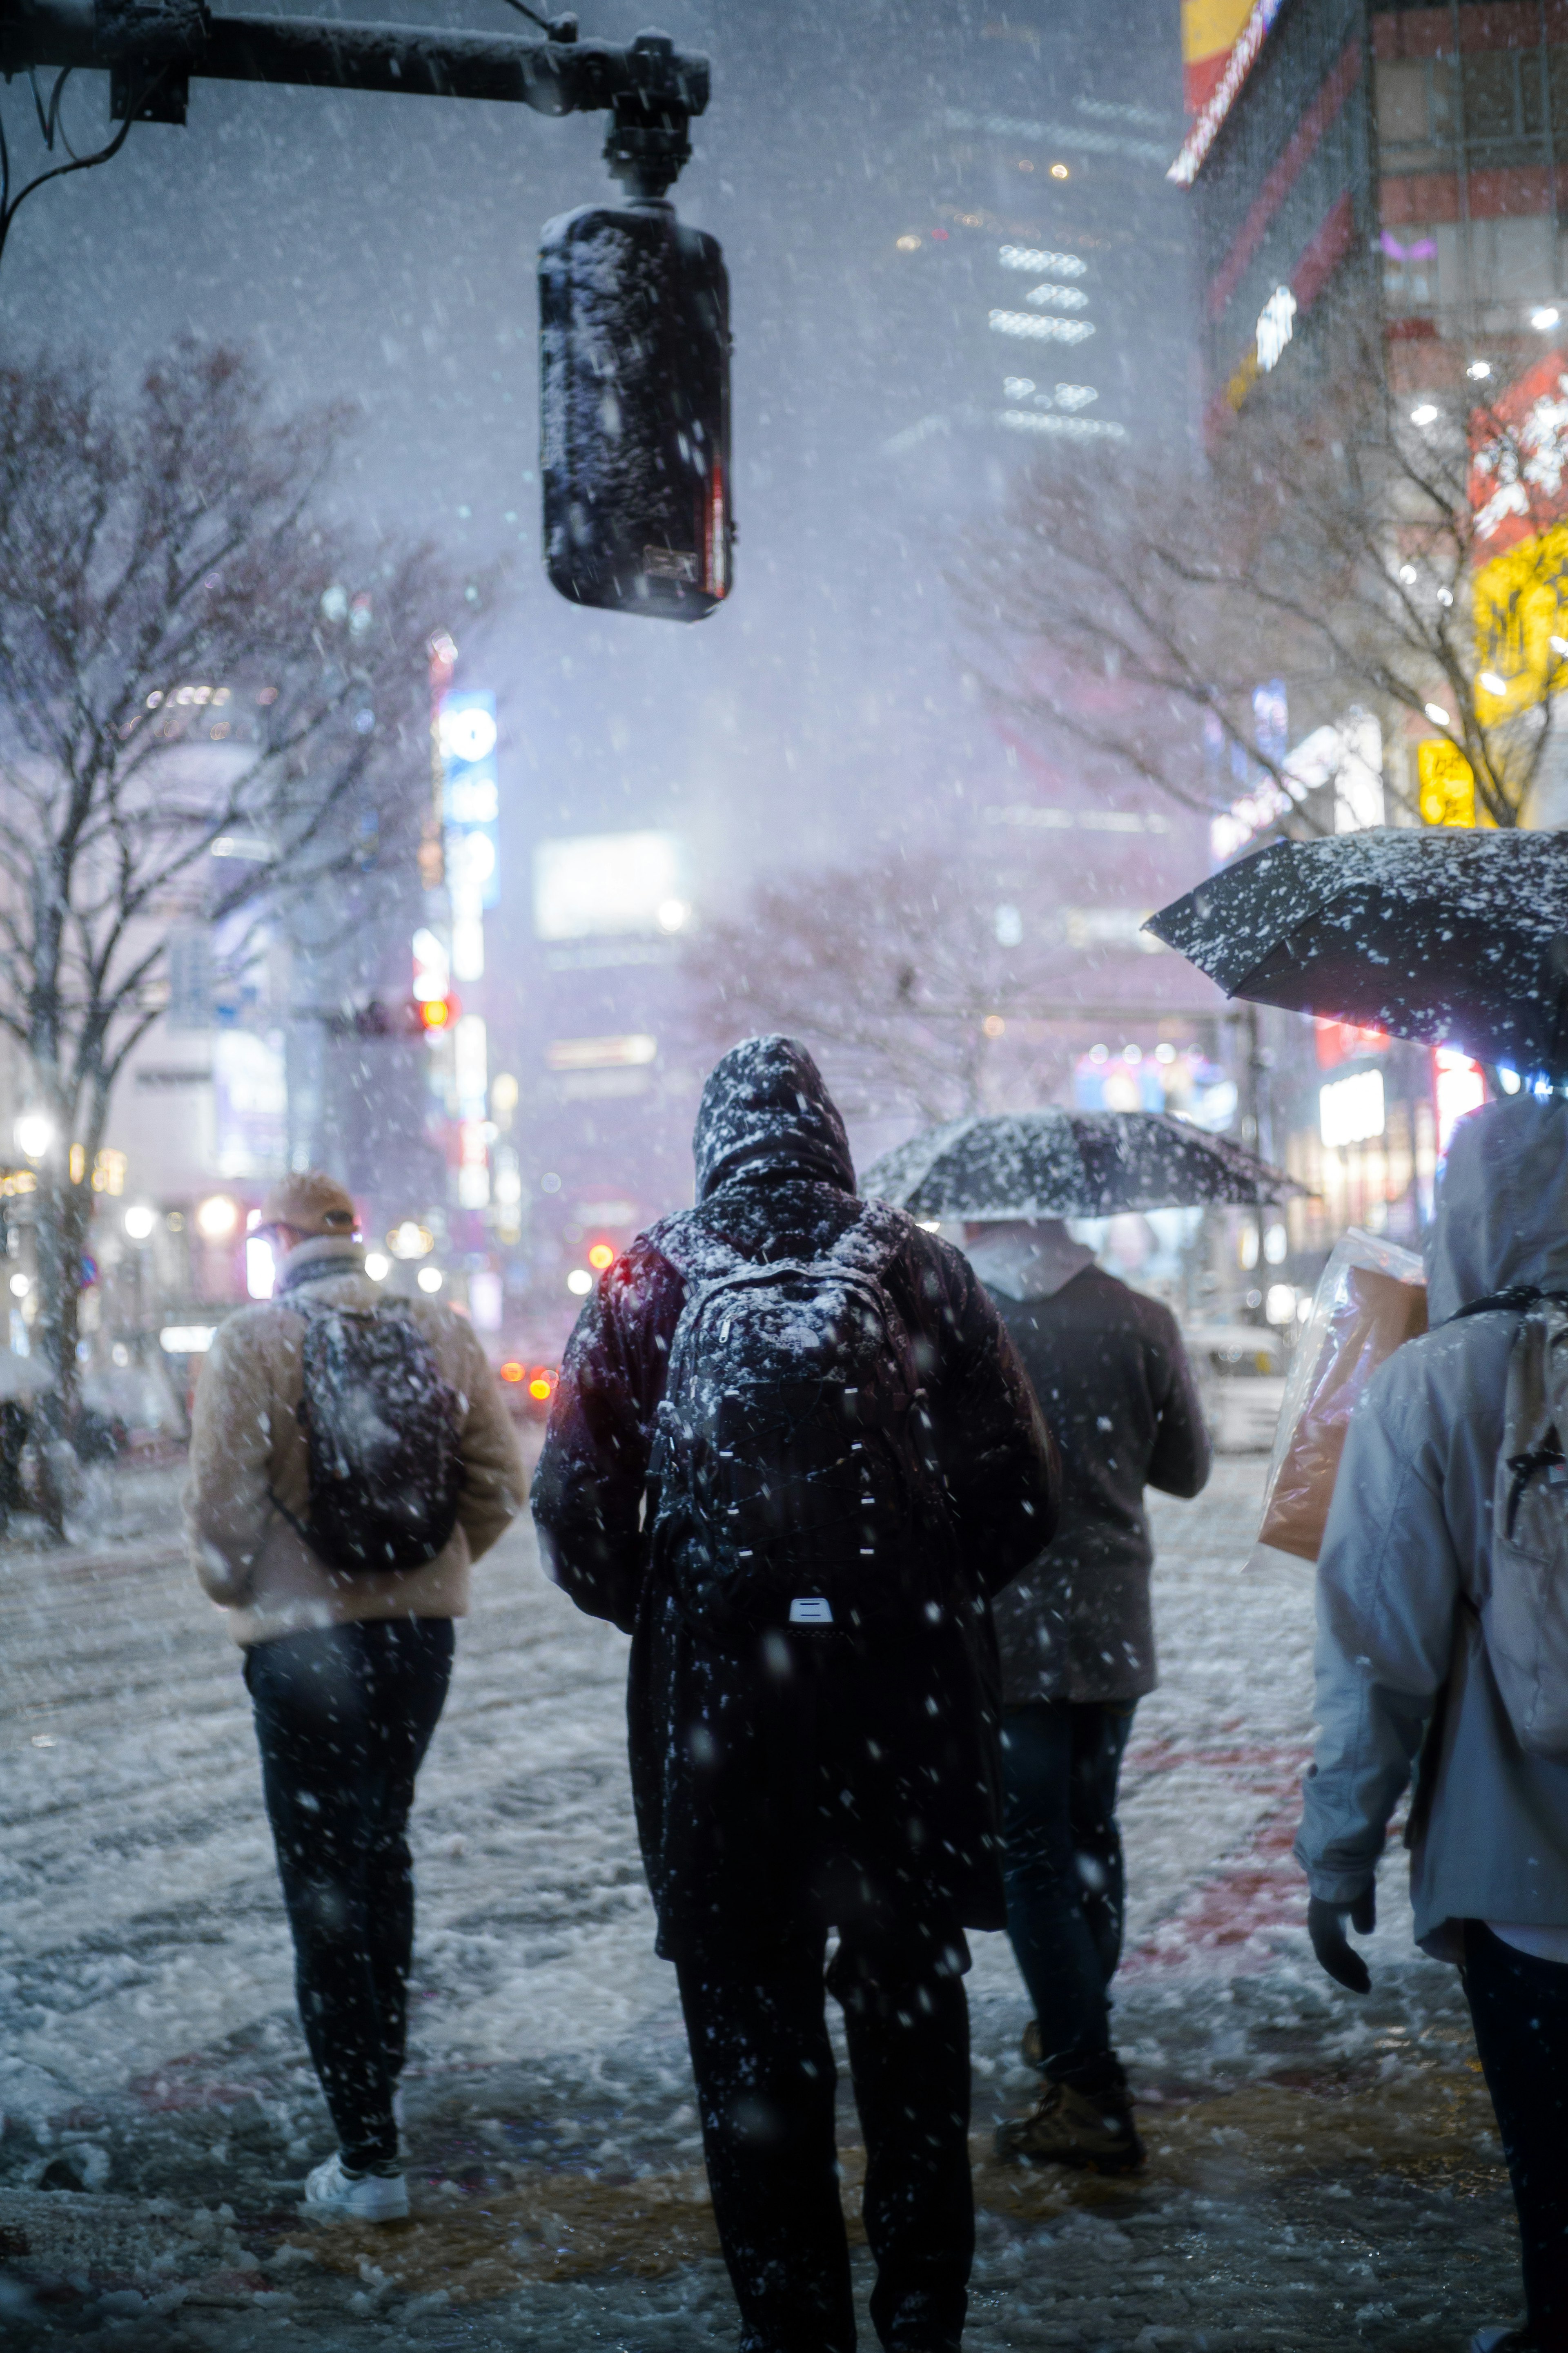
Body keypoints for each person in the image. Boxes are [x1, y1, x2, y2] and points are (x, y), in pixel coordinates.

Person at [532, 1037, 1059, 2353]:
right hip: (901, 1718)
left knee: (750, 2043)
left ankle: (795, 2323)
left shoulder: (650, 1276)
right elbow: (1023, 1495)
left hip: (727, 1730)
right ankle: (924, 2308)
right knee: (911, 2031)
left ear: (713, 1141)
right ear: (829, 1129)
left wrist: (688, 1610)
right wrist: (909, 1596)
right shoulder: (916, 1261)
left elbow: (573, 1516)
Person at [185, 1170, 526, 2222]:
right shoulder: (441, 1327)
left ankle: (366, 2150)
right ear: (353, 1234)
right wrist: (428, 1566)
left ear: (280, 1239)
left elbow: (220, 1526)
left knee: (321, 1878)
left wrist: (264, 1586)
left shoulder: (251, 1342)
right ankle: (383, 2105)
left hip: (300, 1650)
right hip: (420, 1640)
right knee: (383, 1850)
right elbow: (502, 1482)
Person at [1296, 1096, 1568, 2353]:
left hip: (1518, 1869)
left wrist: (1338, 1851)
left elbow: (1375, 1653)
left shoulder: (1427, 1386)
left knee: (1556, 2177)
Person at [965, 1217, 1210, 2173]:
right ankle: (1078, 2036)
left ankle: (1086, 2078)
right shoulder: (1140, 1316)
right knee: (1091, 1835)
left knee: (1030, 1857)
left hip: (1006, 1620)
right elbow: (1187, 1472)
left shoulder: (957, 1316)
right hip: (1111, 1623)